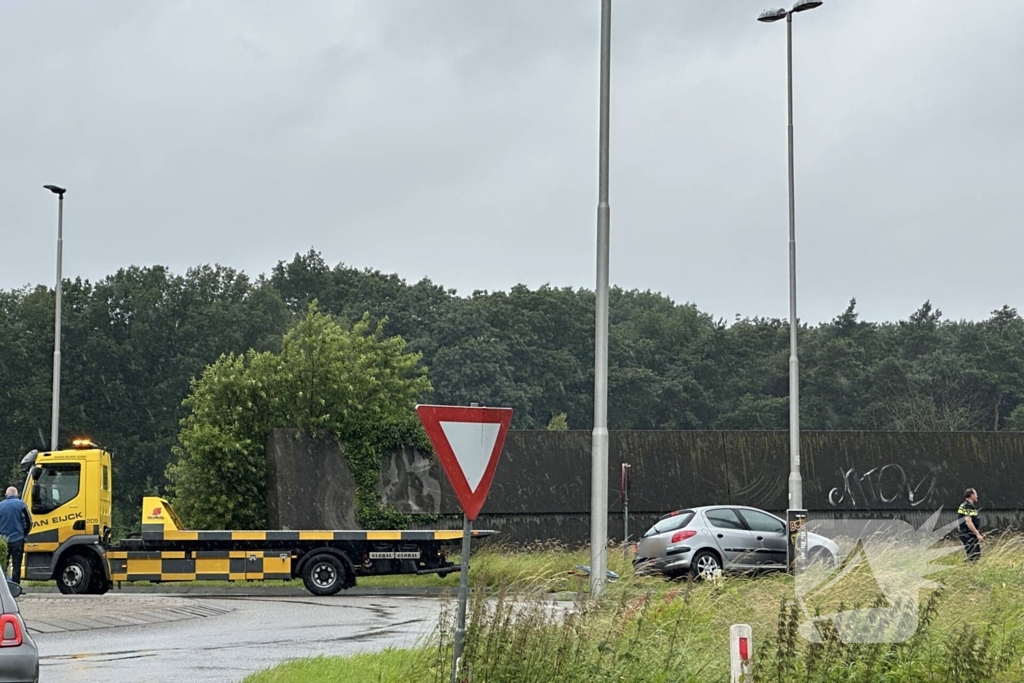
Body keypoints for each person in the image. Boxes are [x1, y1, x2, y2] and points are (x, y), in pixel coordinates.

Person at [0, 486, 33, 584]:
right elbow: (28, 521)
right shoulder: (21, 504)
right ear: (17, 494)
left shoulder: (1, 505)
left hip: (3, 540)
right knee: (17, 564)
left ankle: (4, 585)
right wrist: (24, 533)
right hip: (18, 539)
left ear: (6, 495)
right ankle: (16, 585)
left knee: (3, 564)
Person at [957, 488, 983, 563]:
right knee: (973, 555)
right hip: (968, 533)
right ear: (971, 495)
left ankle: (967, 566)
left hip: (967, 533)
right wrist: (977, 534)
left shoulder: (966, 505)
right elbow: (968, 522)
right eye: (976, 494)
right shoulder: (968, 506)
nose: (977, 496)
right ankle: (965, 567)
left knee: (975, 554)